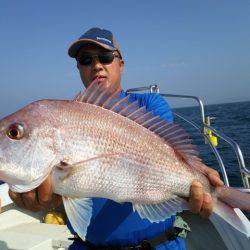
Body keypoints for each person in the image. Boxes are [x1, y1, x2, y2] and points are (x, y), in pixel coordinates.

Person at [9, 27, 224, 249]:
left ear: (121, 64)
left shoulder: (149, 105)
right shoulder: (68, 116)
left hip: (158, 244)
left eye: (105, 57)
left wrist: (196, 173)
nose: (96, 65)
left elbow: (169, 152)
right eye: (86, 59)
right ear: (79, 68)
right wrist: (49, 200)